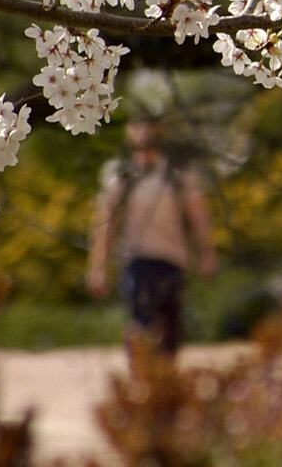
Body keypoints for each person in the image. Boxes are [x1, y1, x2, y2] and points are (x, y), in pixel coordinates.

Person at [87, 117, 216, 355]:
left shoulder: (178, 174)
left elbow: (198, 214)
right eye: (137, 125)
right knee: (142, 328)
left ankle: (162, 385)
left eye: (149, 125)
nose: (143, 131)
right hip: (137, 260)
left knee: (170, 332)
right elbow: (105, 223)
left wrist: (206, 252)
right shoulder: (119, 175)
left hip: (172, 260)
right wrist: (98, 267)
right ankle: (141, 382)